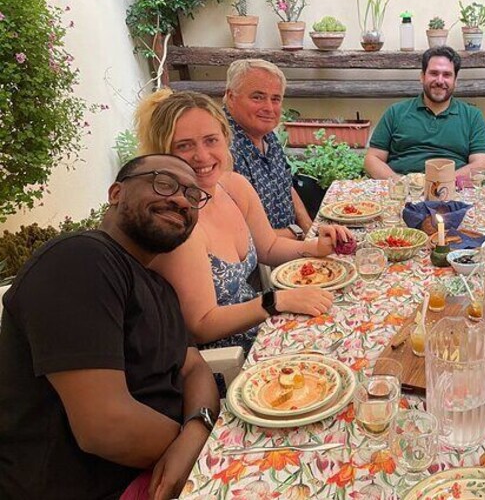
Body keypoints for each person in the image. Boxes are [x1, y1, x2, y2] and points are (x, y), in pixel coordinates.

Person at [0, 154, 219, 500]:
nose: (180, 199)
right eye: (164, 183)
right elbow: (105, 427)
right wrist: (191, 445)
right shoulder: (80, 260)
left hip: (173, 464)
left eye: (193, 195)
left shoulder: (157, 287)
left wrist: (198, 429)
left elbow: (195, 369)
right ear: (116, 192)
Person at [135, 89, 352, 354]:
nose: (202, 156)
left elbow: (269, 247)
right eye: (184, 146)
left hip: (266, 326)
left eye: (210, 140)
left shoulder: (233, 186)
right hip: (231, 360)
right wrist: (275, 301)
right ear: (161, 153)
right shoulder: (175, 221)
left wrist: (315, 247)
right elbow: (201, 325)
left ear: (227, 140)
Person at [364, 46, 485, 178]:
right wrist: (400, 183)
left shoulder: (472, 116)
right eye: (434, 73)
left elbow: (482, 164)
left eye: (447, 75)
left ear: (456, 81)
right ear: (422, 76)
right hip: (402, 190)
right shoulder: (396, 112)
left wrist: (440, 183)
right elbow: (372, 159)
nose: (440, 81)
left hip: (454, 189)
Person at [224, 59, 312, 239]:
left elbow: (286, 184)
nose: (269, 108)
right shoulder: (220, 145)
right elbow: (238, 235)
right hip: (258, 261)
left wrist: (310, 229)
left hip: (290, 243)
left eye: (275, 99)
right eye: (257, 97)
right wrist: (299, 236)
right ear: (231, 98)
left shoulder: (267, 135)